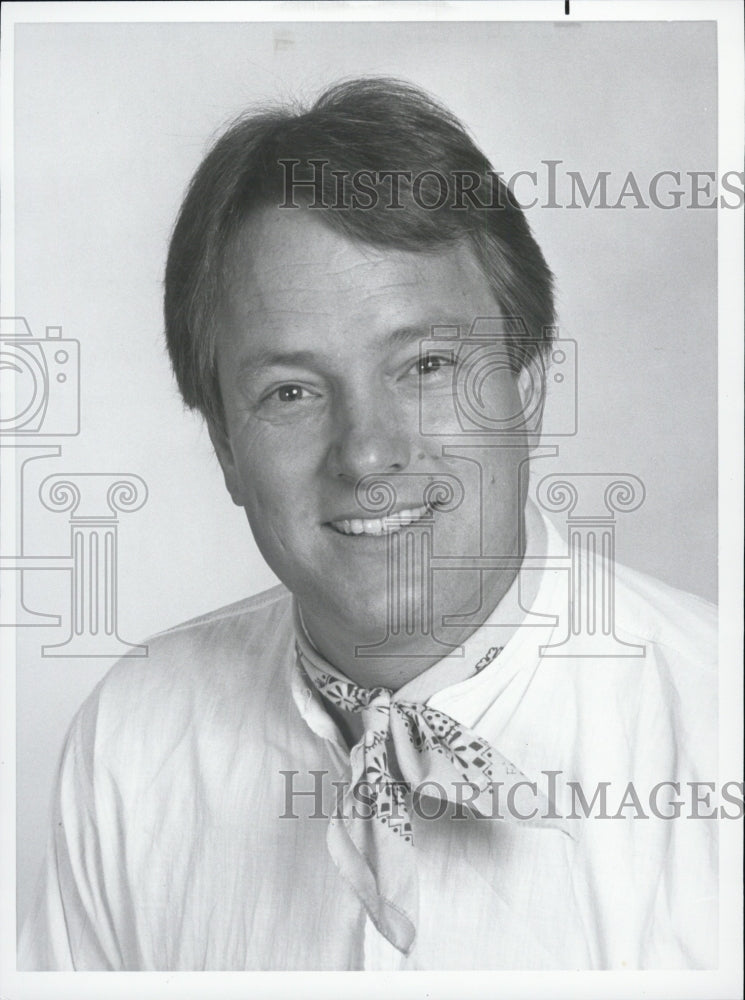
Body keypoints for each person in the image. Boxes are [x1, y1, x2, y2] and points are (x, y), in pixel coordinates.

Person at [19, 77, 718, 971]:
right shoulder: (131, 741)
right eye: (291, 392)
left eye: (424, 365)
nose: (367, 454)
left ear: (531, 387)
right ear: (226, 450)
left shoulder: (716, 724)